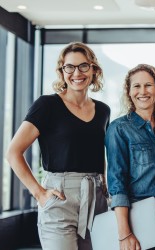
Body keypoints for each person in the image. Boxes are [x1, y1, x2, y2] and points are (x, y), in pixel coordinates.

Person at [6, 42, 110, 250]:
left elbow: (100, 152)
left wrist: (105, 186)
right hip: (60, 197)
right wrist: (38, 193)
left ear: (93, 69)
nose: (76, 73)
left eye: (83, 66)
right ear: (62, 72)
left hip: (95, 199)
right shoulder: (47, 105)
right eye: (69, 67)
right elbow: (13, 153)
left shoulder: (103, 110)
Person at [105, 64, 155, 250]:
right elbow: (117, 182)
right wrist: (125, 233)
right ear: (129, 92)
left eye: (148, 85)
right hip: (136, 216)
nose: (143, 91)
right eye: (136, 86)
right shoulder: (119, 129)